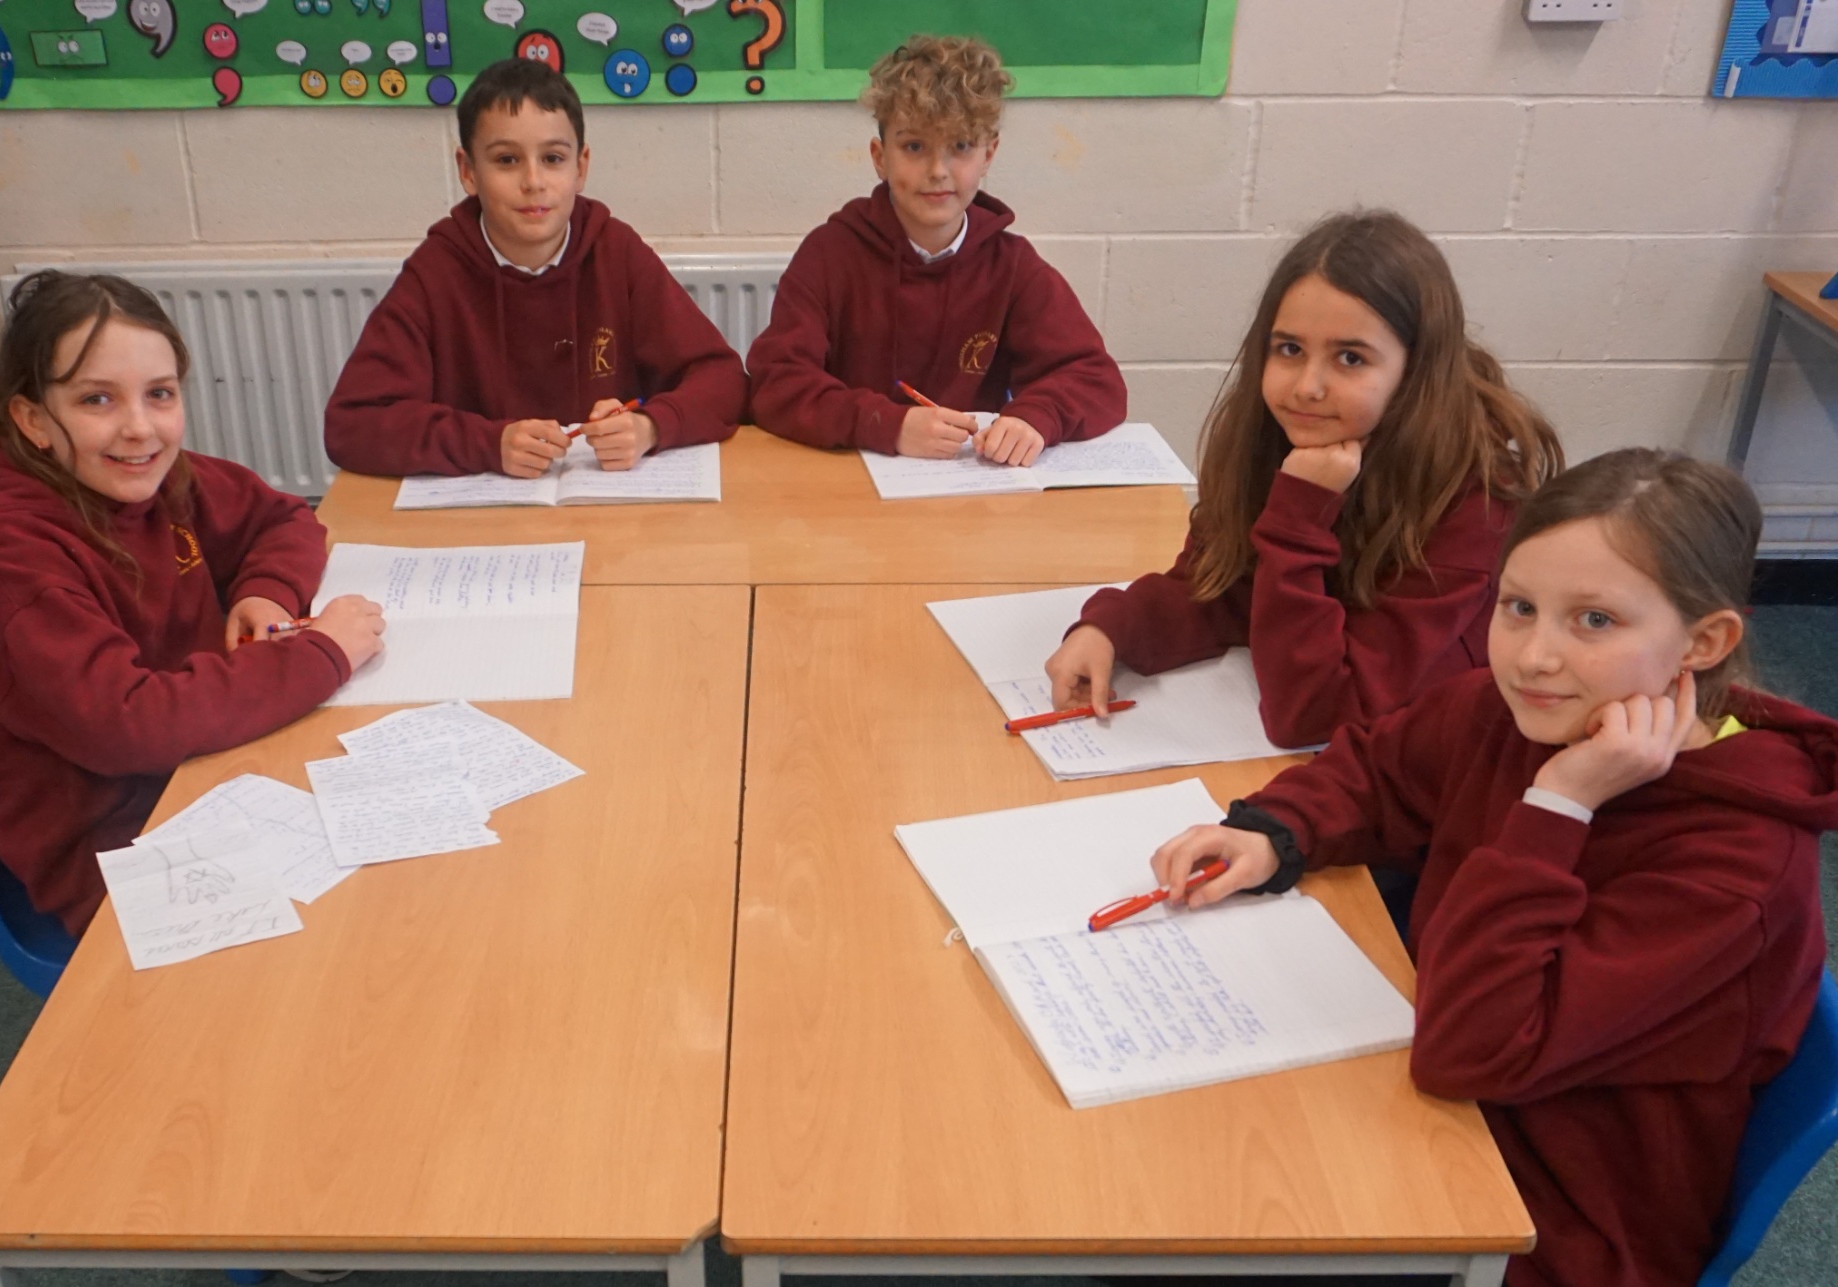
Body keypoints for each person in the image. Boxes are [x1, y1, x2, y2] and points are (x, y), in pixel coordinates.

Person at [1149, 449, 1838, 1287]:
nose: (1534, 655)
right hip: (1440, 1095)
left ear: (1704, 641)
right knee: (1169, 1140)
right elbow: (1380, 768)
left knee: (1175, 1215)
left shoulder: (1737, 867)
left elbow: (1473, 1050)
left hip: (1551, 1222)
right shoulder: (1522, 711)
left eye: (1594, 620)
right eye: (1519, 606)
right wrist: (1279, 830)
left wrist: (1561, 806)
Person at [0, 270, 384, 934]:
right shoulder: (11, 559)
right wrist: (321, 654)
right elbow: (127, 726)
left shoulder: (156, 477)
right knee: (362, 932)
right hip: (110, 838)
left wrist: (264, 592)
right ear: (33, 420)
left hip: (201, 766)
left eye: (160, 394)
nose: (140, 428)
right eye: (97, 399)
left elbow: (281, 518)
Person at [1046, 210, 1564, 749]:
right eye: (1290, 349)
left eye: (1350, 358)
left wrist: (1298, 516)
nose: (1307, 387)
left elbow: (1315, 715)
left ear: (1416, 372)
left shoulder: (1473, 503)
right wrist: (1111, 628)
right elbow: (1221, 590)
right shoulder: (1278, 442)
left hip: (1440, 766)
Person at [325, 57, 747, 479]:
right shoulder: (435, 272)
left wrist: (649, 426)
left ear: (580, 167)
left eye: (553, 158)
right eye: (507, 160)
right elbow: (353, 423)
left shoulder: (616, 252)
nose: (533, 181)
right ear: (468, 172)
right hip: (481, 508)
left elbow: (724, 380)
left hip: (604, 501)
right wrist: (487, 443)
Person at [746, 34, 1124, 463]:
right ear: (880, 157)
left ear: (988, 155)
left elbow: (1096, 380)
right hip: (850, 482)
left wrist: (1036, 417)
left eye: (960, 146)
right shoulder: (829, 255)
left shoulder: (1013, 267)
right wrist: (886, 424)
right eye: (914, 147)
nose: (938, 171)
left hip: (970, 483)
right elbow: (774, 384)